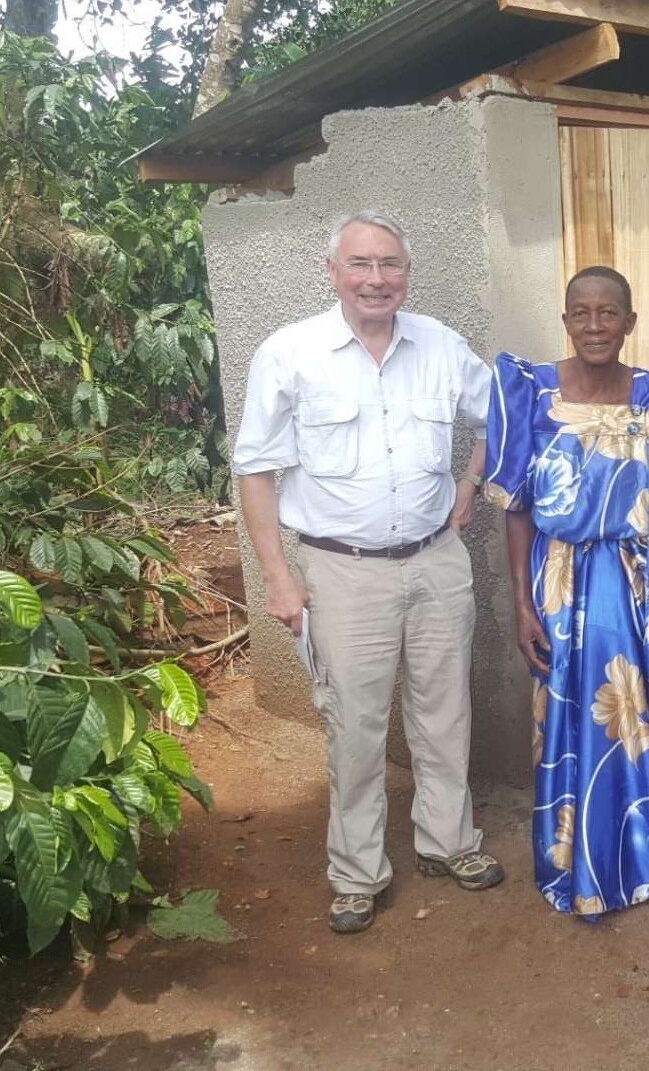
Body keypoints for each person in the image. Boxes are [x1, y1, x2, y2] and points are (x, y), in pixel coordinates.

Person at [232, 210, 504, 936]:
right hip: (342, 572)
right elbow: (255, 473)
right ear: (333, 272)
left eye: (390, 264)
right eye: (361, 264)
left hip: (437, 563)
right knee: (353, 726)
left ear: (406, 274)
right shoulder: (291, 353)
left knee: (445, 713)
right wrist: (278, 579)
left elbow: (502, 417)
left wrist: (471, 483)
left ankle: (450, 842)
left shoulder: (441, 345)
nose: (376, 279)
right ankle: (356, 873)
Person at [484, 265, 649, 920]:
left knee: (645, 719)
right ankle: (571, 863)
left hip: (643, 590)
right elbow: (517, 508)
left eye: (609, 313)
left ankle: (643, 859)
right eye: (581, 312)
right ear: (565, 321)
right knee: (569, 721)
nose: (595, 325)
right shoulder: (531, 393)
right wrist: (524, 604)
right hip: (560, 588)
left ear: (630, 322)